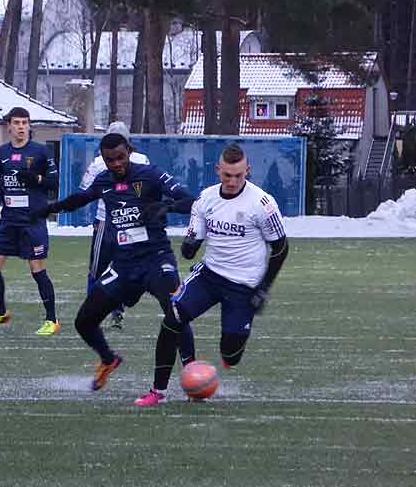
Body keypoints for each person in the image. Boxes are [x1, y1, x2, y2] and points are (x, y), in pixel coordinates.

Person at [32, 132, 196, 391]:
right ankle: (108, 360)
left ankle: (192, 370)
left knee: (176, 312)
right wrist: (49, 208)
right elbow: (79, 199)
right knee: (84, 321)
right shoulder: (103, 180)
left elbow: (190, 201)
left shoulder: (149, 174)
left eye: (120, 157)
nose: (116, 164)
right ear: (104, 159)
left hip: (155, 259)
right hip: (123, 265)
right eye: (110, 160)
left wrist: (165, 207)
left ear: (129, 151)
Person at [134, 143, 289, 406]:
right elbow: (191, 247)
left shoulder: (262, 203)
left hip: (244, 284)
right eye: (227, 175)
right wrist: (188, 242)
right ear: (218, 170)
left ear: (247, 171)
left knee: (231, 355)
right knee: (172, 320)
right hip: (209, 276)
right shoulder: (205, 199)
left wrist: (263, 288)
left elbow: (280, 248)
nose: (232, 181)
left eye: (238, 175)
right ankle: (157, 391)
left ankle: (228, 354)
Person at [0, 106, 60, 336]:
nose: (21, 127)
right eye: (17, 123)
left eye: (25, 123)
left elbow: (54, 183)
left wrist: (36, 178)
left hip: (32, 220)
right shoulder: (1, 152)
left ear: (29, 125)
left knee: (37, 268)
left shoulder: (41, 152)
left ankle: (52, 319)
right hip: (8, 221)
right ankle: (1, 312)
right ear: (9, 126)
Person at [79, 121, 150, 330]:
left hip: (106, 222)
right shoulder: (141, 160)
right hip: (130, 222)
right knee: (125, 269)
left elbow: (85, 189)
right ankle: (116, 310)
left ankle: (91, 312)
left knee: (96, 271)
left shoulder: (99, 162)